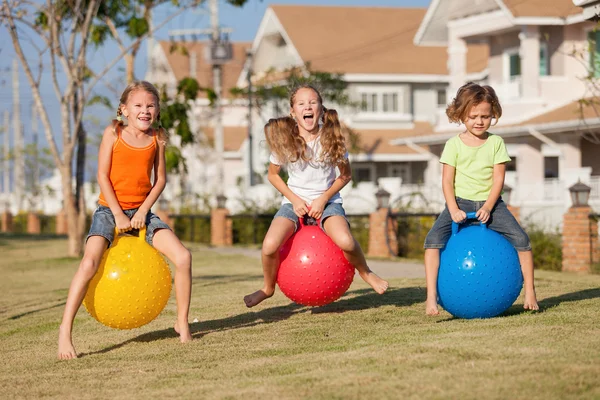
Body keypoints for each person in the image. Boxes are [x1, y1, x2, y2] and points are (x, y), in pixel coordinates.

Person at [58, 81, 193, 360]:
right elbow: (102, 176)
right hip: (109, 210)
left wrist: (143, 210)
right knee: (89, 263)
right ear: (124, 110)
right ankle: (64, 331)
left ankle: (182, 321)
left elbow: (161, 180)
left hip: (143, 211)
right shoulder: (113, 133)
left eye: (150, 105)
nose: (145, 110)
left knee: (183, 257)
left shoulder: (157, 138)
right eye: (138, 106)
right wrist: (118, 214)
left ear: (157, 110)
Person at [243, 84, 389, 308]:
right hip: (293, 204)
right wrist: (294, 200)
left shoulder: (332, 139)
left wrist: (323, 199)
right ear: (293, 111)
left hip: (328, 203)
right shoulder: (286, 141)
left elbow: (345, 175)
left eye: (312, 102)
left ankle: (366, 273)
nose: (307, 107)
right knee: (269, 246)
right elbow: (273, 175)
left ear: (321, 108)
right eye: (301, 104)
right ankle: (268, 288)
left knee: (346, 241)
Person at [423, 82, 539, 316]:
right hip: (460, 203)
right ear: (461, 115)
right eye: (473, 116)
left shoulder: (496, 143)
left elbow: (498, 180)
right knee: (432, 241)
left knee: (522, 240)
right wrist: (454, 209)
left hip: (491, 205)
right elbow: (447, 181)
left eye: (485, 116)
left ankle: (530, 293)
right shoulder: (453, 145)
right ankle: (431, 297)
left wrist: (487, 206)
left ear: (493, 115)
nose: (479, 121)